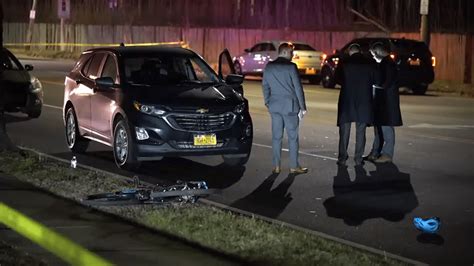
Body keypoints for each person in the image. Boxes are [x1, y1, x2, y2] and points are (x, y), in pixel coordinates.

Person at [262, 42, 308, 174]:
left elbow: (265, 86)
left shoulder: (269, 66)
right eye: (291, 52)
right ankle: (294, 166)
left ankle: (276, 166)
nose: (293, 55)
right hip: (290, 107)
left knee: (276, 137)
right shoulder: (291, 67)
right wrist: (302, 107)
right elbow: (298, 88)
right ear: (285, 52)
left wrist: (267, 101)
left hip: (274, 106)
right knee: (293, 137)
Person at [335, 43, 376, 166]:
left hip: (347, 100)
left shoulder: (344, 62)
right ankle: (358, 158)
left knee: (344, 130)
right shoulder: (369, 63)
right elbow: (376, 79)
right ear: (360, 51)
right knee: (361, 130)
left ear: (350, 51)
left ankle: (342, 157)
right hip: (364, 100)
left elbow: (337, 79)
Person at [367, 42, 403, 163]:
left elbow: (385, 83)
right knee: (380, 129)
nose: (372, 57)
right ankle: (376, 152)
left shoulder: (387, 65)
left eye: (373, 54)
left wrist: (373, 84)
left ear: (378, 53)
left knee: (387, 129)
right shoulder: (386, 63)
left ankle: (387, 154)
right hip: (383, 102)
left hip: (387, 103)